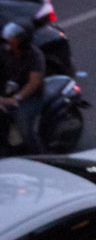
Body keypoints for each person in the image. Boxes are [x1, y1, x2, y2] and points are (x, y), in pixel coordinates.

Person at [0, 21, 45, 155]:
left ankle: (40, 155)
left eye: (12, 39)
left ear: (22, 41)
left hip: (29, 97)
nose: (9, 41)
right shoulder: (6, 51)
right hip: (9, 91)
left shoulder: (35, 56)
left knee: (24, 129)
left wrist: (15, 99)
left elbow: (34, 83)